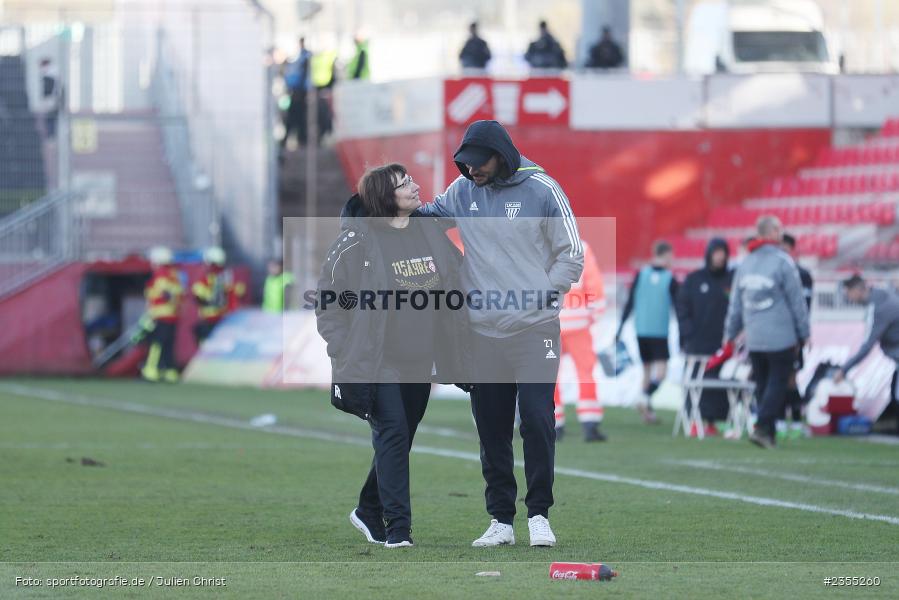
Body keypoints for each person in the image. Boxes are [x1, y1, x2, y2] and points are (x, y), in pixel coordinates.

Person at [417, 119, 584, 548]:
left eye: (479, 163)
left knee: (537, 417)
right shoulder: (462, 191)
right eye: (466, 164)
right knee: (491, 428)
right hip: (482, 333)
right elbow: (428, 219)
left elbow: (572, 255)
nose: (472, 171)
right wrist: (378, 208)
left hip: (535, 329)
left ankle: (540, 515)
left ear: (502, 154)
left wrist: (541, 295)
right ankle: (501, 521)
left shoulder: (543, 190)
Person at [315, 164, 470, 549]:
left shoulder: (430, 233)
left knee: (398, 438)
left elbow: (456, 278)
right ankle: (397, 529)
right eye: (405, 185)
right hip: (377, 360)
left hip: (420, 359)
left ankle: (368, 509)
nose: (416, 187)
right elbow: (328, 304)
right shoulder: (356, 243)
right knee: (394, 432)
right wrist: (343, 347)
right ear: (386, 197)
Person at [724, 216, 809, 449]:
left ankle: (768, 435)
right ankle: (762, 427)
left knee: (762, 383)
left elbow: (735, 306)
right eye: (779, 229)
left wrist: (729, 335)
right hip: (781, 336)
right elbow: (797, 301)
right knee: (777, 382)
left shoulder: (745, 264)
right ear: (771, 232)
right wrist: (804, 332)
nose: (782, 232)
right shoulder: (783, 262)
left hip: (754, 337)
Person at [676, 238, 733, 435]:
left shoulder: (731, 280)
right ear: (709, 254)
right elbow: (682, 308)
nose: (720, 256)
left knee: (717, 387)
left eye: (723, 252)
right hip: (696, 344)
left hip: (722, 346)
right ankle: (691, 419)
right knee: (694, 382)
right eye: (716, 252)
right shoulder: (694, 279)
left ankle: (713, 423)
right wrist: (687, 333)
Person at [617, 240, 678, 424]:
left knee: (647, 371)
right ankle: (644, 397)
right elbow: (679, 307)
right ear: (666, 254)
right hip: (659, 330)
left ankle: (647, 413)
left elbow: (630, 303)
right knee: (661, 372)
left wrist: (620, 327)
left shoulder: (641, 274)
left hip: (641, 329)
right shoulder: (670, 278)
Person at [554, 241, 607, 442]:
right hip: (578, 322)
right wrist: (596, 312)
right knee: (585, 371)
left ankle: (554, 424)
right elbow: (594, 283)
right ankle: (590, 423)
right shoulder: (582, 248)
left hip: (549, 322)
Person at [834, 275, 899, 418]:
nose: (848, 298)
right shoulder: (883, 295)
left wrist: (844, 370)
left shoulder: (878, 307)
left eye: (848, 293)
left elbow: (867, 347)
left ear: (857, 290)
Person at [781, 233, 813, 435]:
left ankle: (797, 419)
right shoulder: (776, 271)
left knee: (791, 378)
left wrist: (802, 334)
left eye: (785, 248)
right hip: (773, 335)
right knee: (775, 378)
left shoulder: (802, 275)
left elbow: (805, 307)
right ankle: (778, 419)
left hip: (793, 336)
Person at [141, 246, 183, 383]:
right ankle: (170, 372)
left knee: (156, 344)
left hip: (161, 315)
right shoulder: (174, 275)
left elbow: (163, 294)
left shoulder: (161, 275)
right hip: (172, 315)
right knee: (168, 345)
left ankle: (151, 371)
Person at [191, 247, 245, 345]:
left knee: (206, 343)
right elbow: (239, 291)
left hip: (210, 317)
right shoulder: (227, 275)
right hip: (225, 317)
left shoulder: (207, 276)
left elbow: (198, 294)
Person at [281, 37, 312, 151]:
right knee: (297, 117)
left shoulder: (305, 57)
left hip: (300, 93)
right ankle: (299, 139)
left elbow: (302, 76)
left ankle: (299, 139)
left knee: (295, 117)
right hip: (298, 92)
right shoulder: (301, 57)